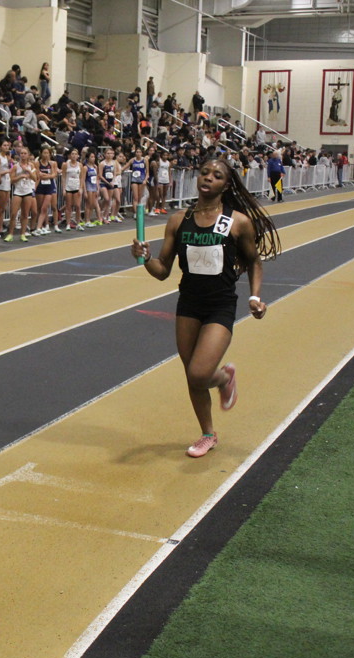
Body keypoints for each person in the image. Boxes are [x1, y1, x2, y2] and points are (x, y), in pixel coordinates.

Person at [131, 158, 281, 457]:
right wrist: (146, 258)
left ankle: (224, 377)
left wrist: (255, 297)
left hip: (220, 306)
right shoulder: (178, 220)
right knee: (192, 376)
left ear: (226, 185)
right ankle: (208, 434)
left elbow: (254, 261)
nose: (208, 178)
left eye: (217, 175)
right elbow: (162, 271)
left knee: (200, 374)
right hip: (188, 304)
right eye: (204, 173)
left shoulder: (237, 222)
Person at [61, 148, 83, 231]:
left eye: (75, 154)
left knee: (77, 206)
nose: (74, 156)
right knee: (68, 206)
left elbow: (81, 177)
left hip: (76, 187)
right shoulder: (65, 164)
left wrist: (81, 187)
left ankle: (78, 223)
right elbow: (63, 177)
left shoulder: (80, 165)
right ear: (70, 155)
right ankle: (68, 223)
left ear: (78, 156)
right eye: (72, 154)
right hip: (68, 187)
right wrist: (64, 188)